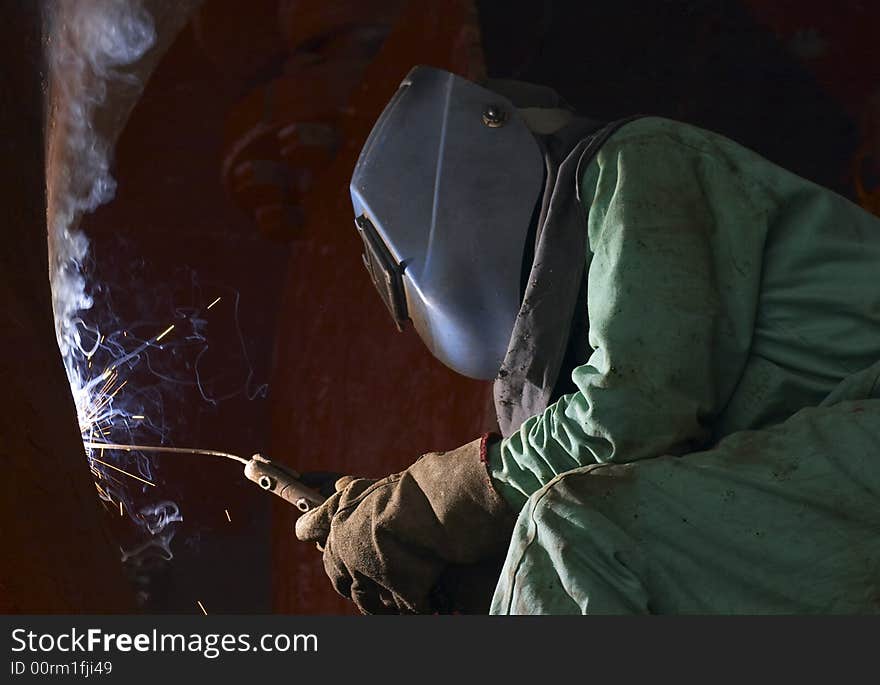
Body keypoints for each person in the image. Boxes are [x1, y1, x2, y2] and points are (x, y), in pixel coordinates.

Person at [295, 65, 880, 614]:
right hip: (822, 501)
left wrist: (436, 506)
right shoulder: (557, 352)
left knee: (565, 531)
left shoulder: (639, 163)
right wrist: (452, 569)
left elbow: (635, 404)